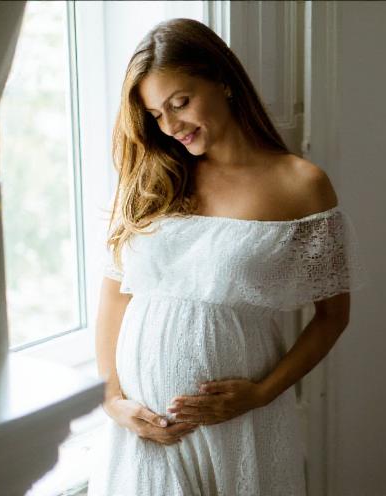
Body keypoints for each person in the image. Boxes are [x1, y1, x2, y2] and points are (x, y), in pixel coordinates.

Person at [89, 18, 352, 496]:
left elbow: (333, 316)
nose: (170, 126)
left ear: (223, 81)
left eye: (180, 102)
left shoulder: (300, 186)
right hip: (142, 429)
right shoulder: (154, 179)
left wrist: (262, 394)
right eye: (155, 114)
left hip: (239, 424)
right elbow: (114, 295)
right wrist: (112, 399)